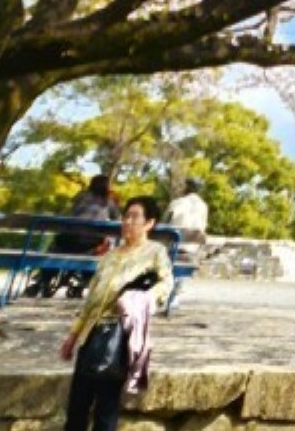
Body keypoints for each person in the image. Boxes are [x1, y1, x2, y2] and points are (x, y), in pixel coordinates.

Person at [58, 195, 173, 431]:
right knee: (77, 405)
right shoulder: (110, 255)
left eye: (134, 217)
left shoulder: (155, 252)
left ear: (149, 223)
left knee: (106, 407)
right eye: (126, 216)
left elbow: (165, 285)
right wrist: (73, 336)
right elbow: (92, 299)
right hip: (91, 334)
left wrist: (140, 299)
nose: (128, 221)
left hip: (120, 336)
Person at [30, 174, 122, 298]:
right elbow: (117, 220)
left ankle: (44, 277)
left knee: (56, 244)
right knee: (104, 247)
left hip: (68, 241)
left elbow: (71, 212)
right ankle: (85, 280)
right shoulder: (108, 201)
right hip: (91, 244)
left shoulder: (81, 196)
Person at [163, 179, 209, 244]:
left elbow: (164, 224)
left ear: (187, 188)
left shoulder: (176, 203)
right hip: (194, 248)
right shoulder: (204, 206)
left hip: (173, 246)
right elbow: (203, 228)